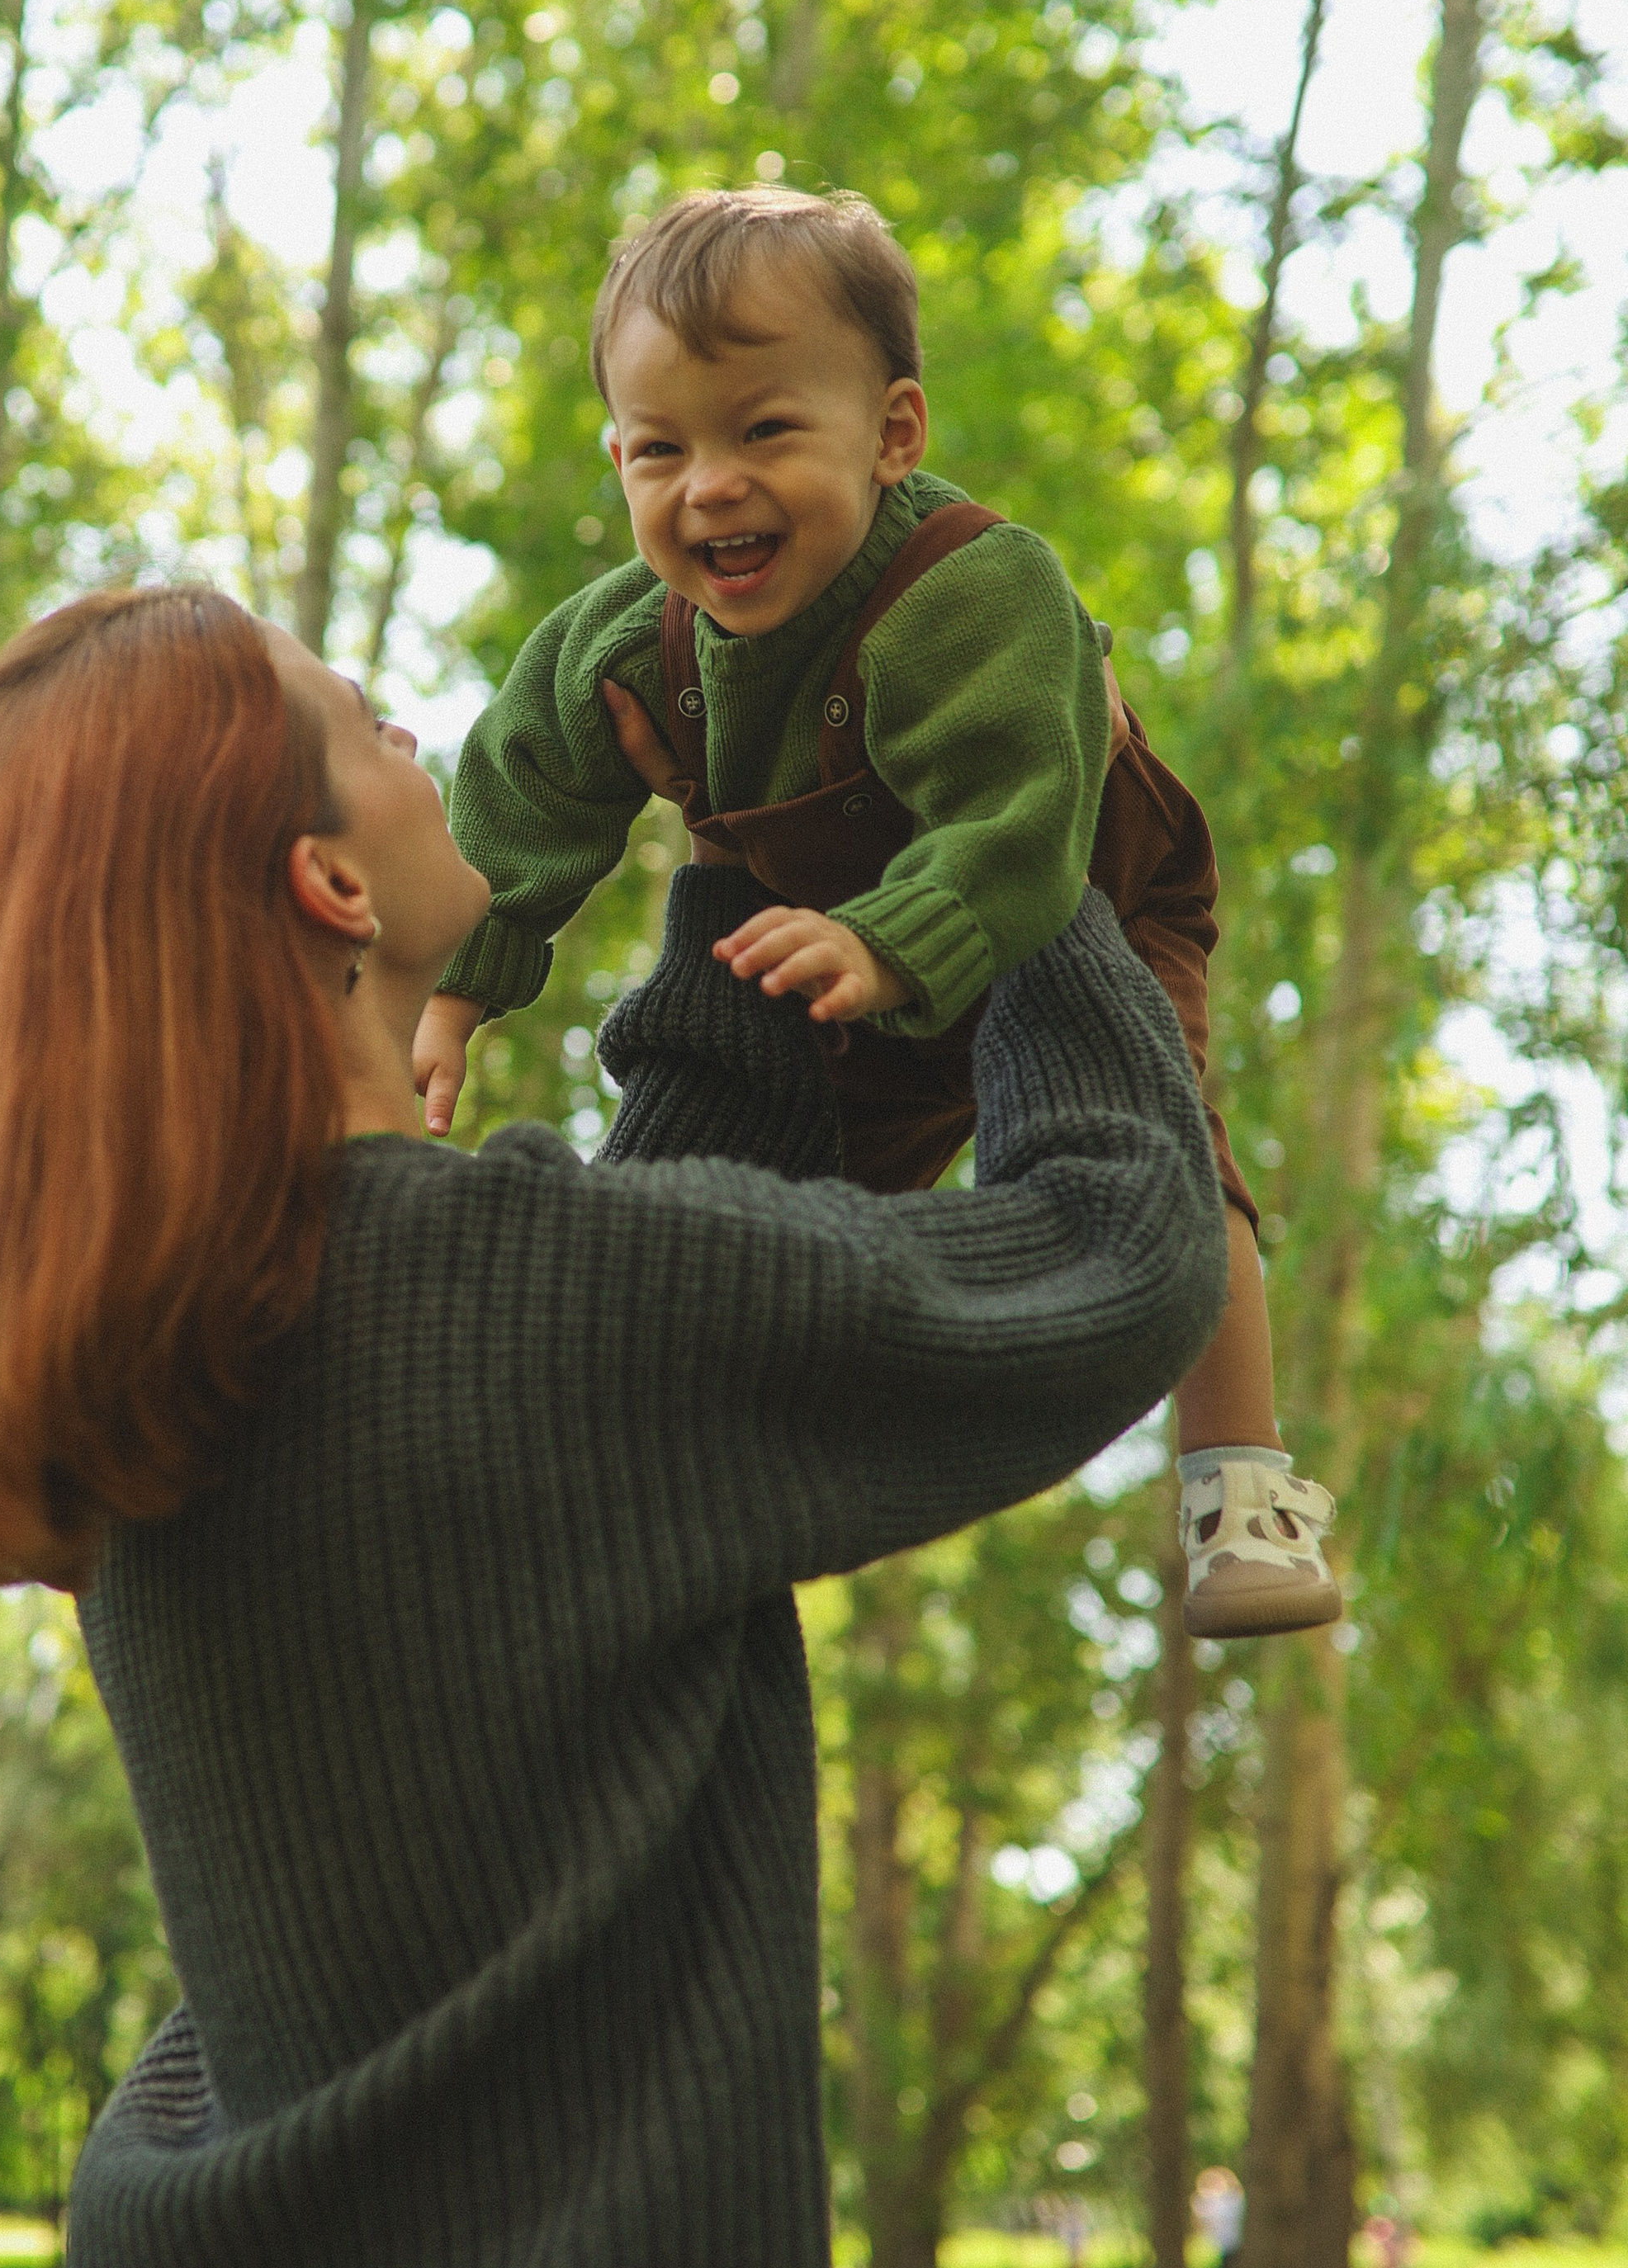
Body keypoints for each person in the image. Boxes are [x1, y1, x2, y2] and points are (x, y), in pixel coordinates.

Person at [0, 582, 1225, 2268]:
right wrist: (1018, 819)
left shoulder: (167, 1379)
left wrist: (746, 870)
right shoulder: (505, 1306)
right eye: (385, 725)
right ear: (326, 881)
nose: (446, 742)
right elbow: (1120, 1252)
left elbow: (638, 1341)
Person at [412, 187, 1339, 1642]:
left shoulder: (969, 591)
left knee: (1166, 1138)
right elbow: (524, 795)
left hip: (1058, 900)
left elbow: (1017, 826)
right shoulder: (630, 640)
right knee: (766, 1192)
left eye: (764, 431)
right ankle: (685, 1462)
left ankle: (1240, 1476)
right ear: (618, 459)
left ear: (892, 433)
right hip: (837, 949)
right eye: (662, 450)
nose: (708, 485)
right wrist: (454, 988)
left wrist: (888, 938)